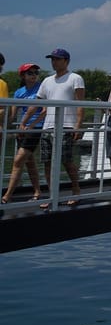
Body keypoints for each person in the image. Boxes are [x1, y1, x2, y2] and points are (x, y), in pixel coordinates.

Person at [21, 48, 84, 207]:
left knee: (67, 160)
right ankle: (51, 195)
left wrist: (78, 126)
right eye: (52, 59)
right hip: (48, 127)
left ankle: (76, 191)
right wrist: (25, 122)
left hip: (66, 126)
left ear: (66, 61)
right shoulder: (47, 81)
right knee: (47, 162)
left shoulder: (75, 78)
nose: (54, 62)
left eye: (57, 59)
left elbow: (80, 104)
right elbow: (37, 104)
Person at [1, 63, 44, 203]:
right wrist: (8, 127)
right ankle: (37, 191)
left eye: (35, 72)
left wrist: (30, 126)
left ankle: (7, 195)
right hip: (23, 129)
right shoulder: (19, 92)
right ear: (23, 76)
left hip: (36, 128)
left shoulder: (41, 89)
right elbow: (13, 114)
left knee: (18, 160)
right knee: (29, 162)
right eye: (30, 73)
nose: (34, 75)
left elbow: (45, 111)